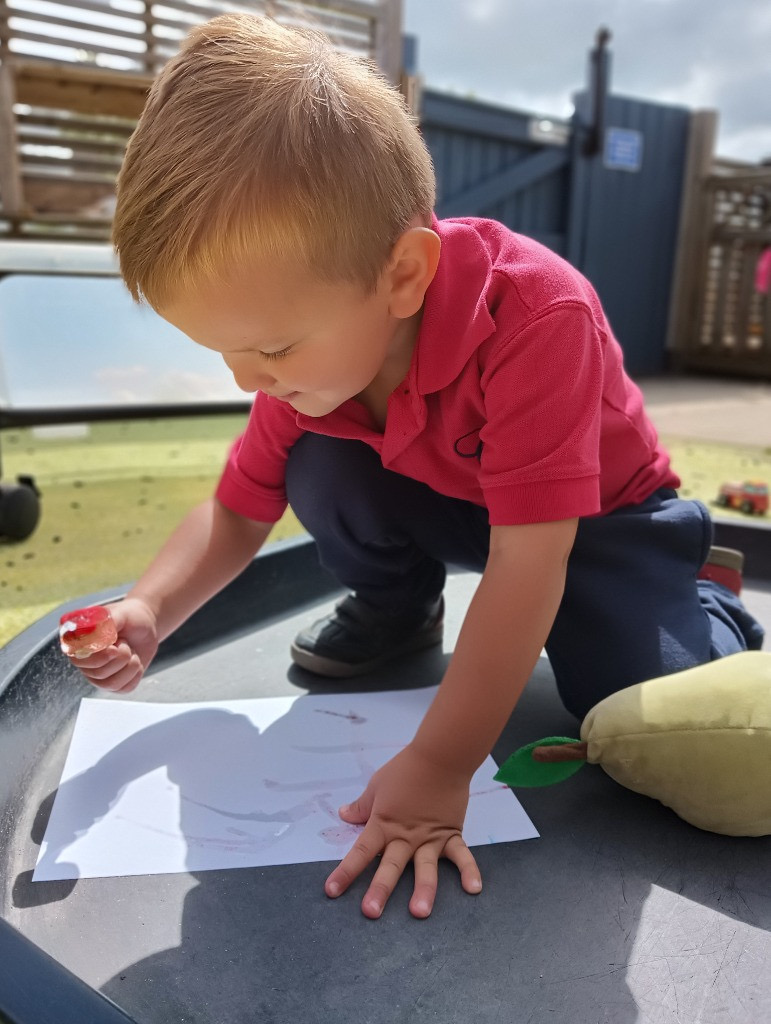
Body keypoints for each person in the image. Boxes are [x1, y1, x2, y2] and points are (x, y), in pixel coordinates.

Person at [65, 13, 764, 920]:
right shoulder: (308, 367)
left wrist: (441, 765)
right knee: (319, 464)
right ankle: (402, 608)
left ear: (403, 275)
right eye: (224, 353)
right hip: (461, 499)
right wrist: (150, 606)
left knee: (628, 710)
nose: (249, 381)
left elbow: (530, 559)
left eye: (271, 346)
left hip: (594, 523)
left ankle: (696, 589)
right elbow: (238, 512)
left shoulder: (536, 315)